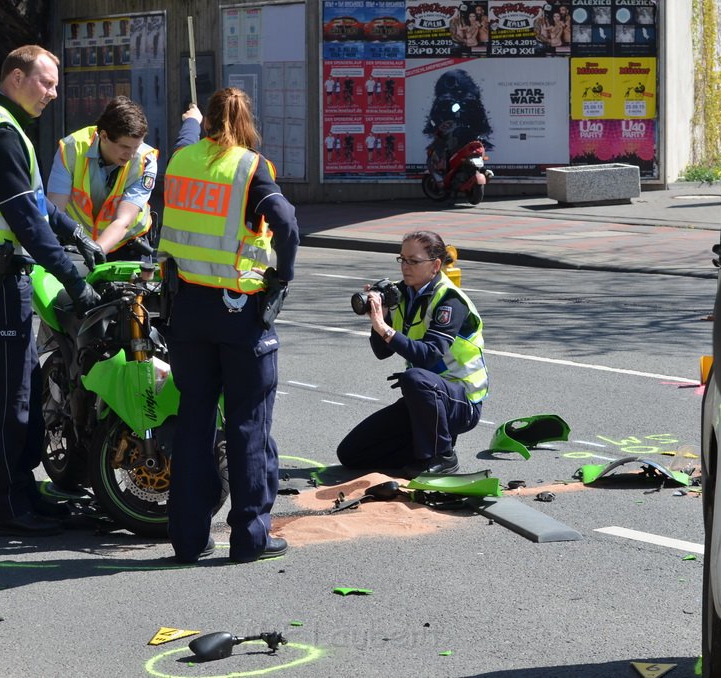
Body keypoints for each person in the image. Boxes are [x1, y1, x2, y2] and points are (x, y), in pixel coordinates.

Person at [0, 45, 104, 537]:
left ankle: (22, 490)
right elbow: (28, 224)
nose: (53, 94)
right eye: (45, 83)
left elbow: (35, 202)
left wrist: (76, 234)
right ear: (16, 77)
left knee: (23, 390)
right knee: (6, 397)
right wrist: (76, 285)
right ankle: (5, 505)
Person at [158, 88, 300, 564]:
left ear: (205, 122)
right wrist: (282, 276)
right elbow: (286, 223)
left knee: (194, 424)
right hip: (239, 310)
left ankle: (188, 539)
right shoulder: (249, 165)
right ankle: (249, 538)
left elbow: (183, 141)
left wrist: (189, 118)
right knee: (247, 424)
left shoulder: (179, 161)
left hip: (187, 311)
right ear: (246, 121)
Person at [336, 231, 489, 478]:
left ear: (435, 265)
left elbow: (429, 356)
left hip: (461, 402)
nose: (405, 267)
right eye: (402, 260)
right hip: (424, 398)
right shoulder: (403, 294)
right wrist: (382, 316)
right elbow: (382, 352)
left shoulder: (450, 301)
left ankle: (443, 456)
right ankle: (421, 454)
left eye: (413, 261)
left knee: (415, 377)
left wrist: (384, 329)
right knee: (351, 454)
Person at [47, 95, 158, 260]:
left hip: (127, 245)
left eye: (137, 146)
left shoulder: (145, 161)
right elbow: (55, 212)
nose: (132, 154)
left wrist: (95, 252)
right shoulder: (71, 149)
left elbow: (123, 222)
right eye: (125, 147)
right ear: (104, 136)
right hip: (78, 243)